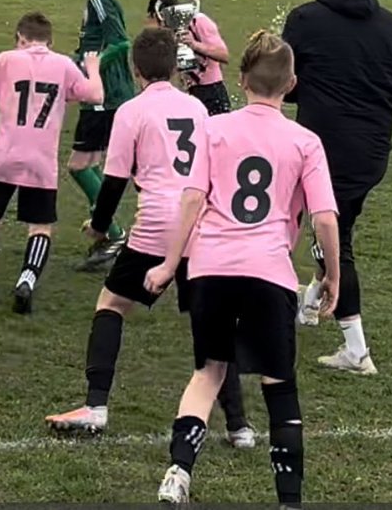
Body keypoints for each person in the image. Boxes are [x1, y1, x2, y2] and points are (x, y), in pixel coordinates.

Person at [145, 31, 340, 506]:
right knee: (279, 385)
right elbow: (324, 218)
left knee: (208, 373)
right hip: (268, 272)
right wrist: (333, 275)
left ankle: (177, 471)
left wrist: (171, 262)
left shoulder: (213, 129)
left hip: (210, 268)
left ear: (241, 78)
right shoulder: (305, 141)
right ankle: (288, 498)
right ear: (291, 84)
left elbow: (192, 198)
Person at [44, 28, 254, 448]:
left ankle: (96, 406)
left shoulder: (131, 111)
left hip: (156, 228)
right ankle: (239, 426)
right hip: (199, 226)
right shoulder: (196, 108)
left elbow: (115, 182)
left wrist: (100, 227)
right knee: (211, 326)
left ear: (134, 69)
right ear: (176, 67)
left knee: (111, 304)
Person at [281, 0, 392, 373]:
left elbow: (286, 83)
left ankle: (356, 348)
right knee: (336, 228)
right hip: (372, 148)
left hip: (323, 145)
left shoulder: (306, 18)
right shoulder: (391, 25)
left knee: (333, 237)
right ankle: (310, 304)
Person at [0, 12, 103, 312]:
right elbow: (94, 94)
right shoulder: (63, 65)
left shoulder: (8, 60)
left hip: (6, 154)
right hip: (41, 159)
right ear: (48, 40)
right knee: (40, 226)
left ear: (21, 38)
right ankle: (27, 279)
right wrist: (92, 67)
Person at [68, 0, 137, 270]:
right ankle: (105, 229)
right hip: (102, 92)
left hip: (104, 94)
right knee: (92, 164)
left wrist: (90, 67)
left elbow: (121, 42)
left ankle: (113, 233)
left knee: (79, 166)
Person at [145, 0, 231, 115]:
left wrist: (194, 45)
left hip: (211, 90)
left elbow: (223, 54)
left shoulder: (198, 22)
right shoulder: (167, 32)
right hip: (188, 93)